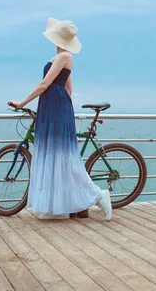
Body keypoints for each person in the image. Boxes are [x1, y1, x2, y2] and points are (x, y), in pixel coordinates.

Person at [8, 18, 112, 221]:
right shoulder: (61, 57)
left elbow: (44, 84)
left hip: (55, 109)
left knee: (64, 157)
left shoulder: (64, 56)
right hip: (54, 108)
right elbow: (68, 88)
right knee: (56, 156)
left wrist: (22, 102)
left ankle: (99, 195)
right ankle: (56, 207)